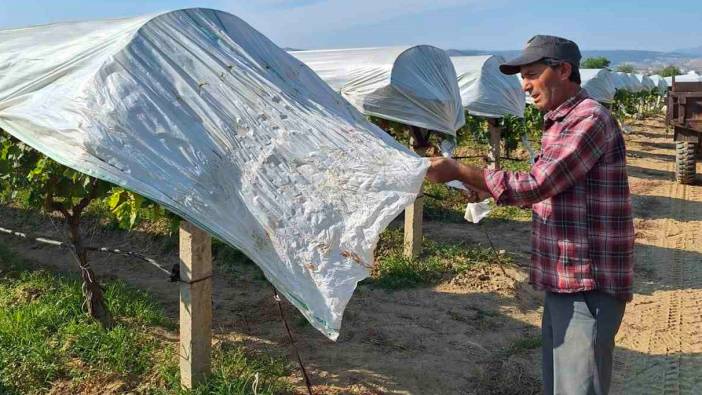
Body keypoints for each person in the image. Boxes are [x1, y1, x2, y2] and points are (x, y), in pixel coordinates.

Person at [425, 35, 634, 395]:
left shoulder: (588, 119)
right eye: (523, 76)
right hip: (564, 280)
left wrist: (462, 172)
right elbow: (553, 191)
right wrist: (485, 186)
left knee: (577, 388)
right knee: (561, 384)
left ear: (564, 70)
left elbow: (538, 184)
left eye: (533, 74)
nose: (525, 85)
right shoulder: (559, 121)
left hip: (588, 283)